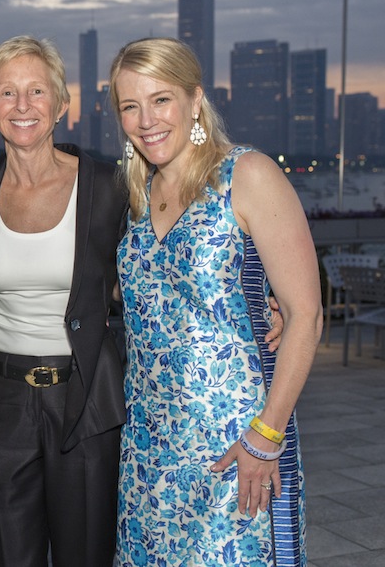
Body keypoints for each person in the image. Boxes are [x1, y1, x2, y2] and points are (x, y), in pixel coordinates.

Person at [109, 37, 322, 566]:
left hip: (236, 450)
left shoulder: (246, 174)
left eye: (160, 99)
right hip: (148, 456)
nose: (146, 119)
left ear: (194, 99)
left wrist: (265, 437)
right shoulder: (136, 195)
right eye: (129, 106)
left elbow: (306, 315)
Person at [0, 36, 127, 566]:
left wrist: (260, 299)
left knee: (86, 556)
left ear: (61, 104)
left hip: (85, 398)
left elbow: (166, 262)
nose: (22, 106)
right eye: (7, 93)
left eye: (37, 91)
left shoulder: (109, 188)